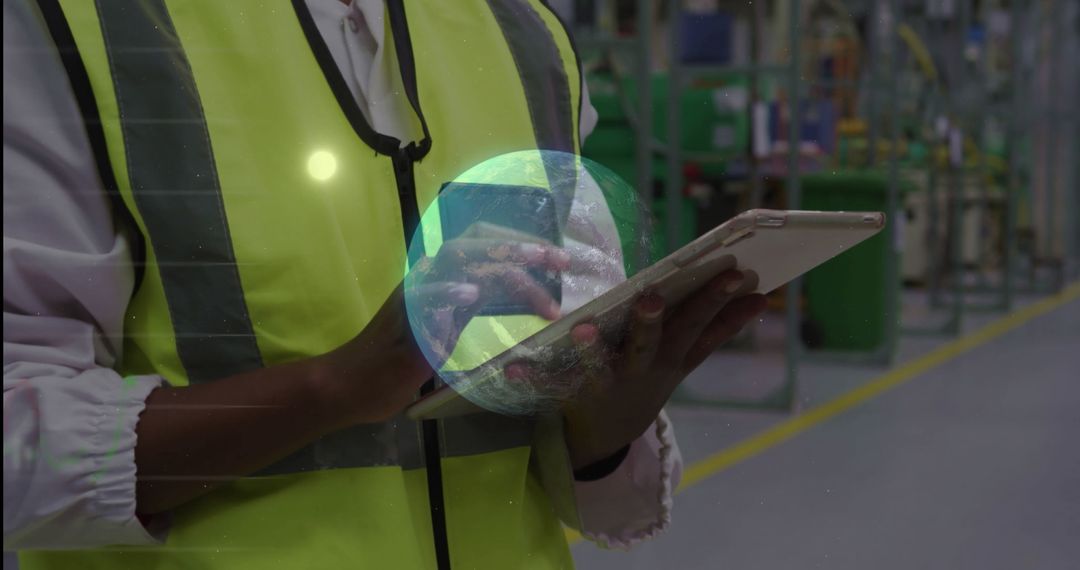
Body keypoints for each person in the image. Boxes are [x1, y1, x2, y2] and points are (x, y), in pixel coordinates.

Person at [2, 0, 767, 568]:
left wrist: (607, 421)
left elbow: (540, 443)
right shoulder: (79, 29)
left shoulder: (522, 36)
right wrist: (331, 389)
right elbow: (17, 445)